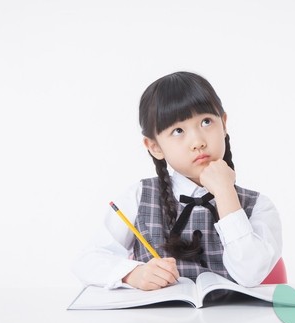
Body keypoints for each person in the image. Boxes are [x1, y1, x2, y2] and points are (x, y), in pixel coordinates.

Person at [72, 71, 282, 291]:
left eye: (206, 121)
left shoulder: (258, 206)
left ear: (224, 124)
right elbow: (87, 260)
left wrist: (225, 193)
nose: (198, 142)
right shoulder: (139, 196)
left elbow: (250, 275)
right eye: (178, 130)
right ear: (155, 147)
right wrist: (132, 274)